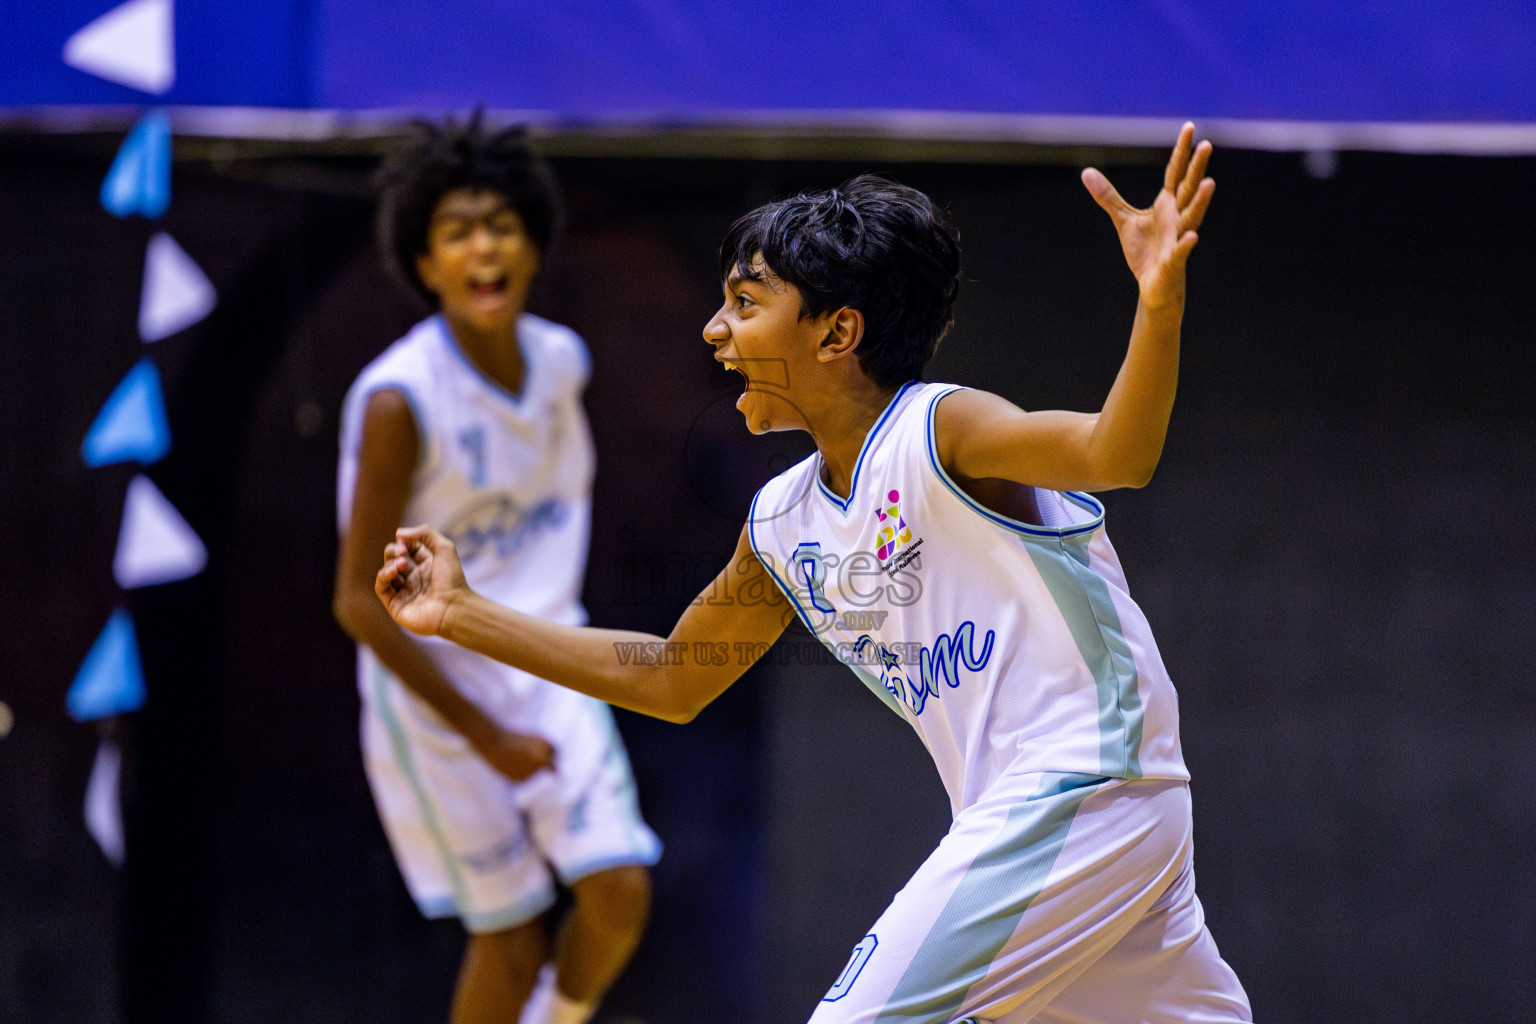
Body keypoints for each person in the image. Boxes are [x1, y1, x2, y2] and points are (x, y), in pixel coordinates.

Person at [375, 124, 1251, 1024]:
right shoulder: (784, 520)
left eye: (745, 304)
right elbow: (674, 678)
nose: (714, 329)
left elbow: (1118, 450)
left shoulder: (940, 431)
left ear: (838, 331)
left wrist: (1158, 305)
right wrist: (460, 612)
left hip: (1086, 787)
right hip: (1077, 819)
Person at [333, 116, 659, 1024]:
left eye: (502, 223)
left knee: (620, 888)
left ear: (534, 244)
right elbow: (358, 603)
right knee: (509, 938)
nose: (484, 245)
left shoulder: (562, 360)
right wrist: (486, 735)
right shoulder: (399, 401)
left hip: (547, 652)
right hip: (439, 688)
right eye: (457, 230)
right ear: (425, 262)